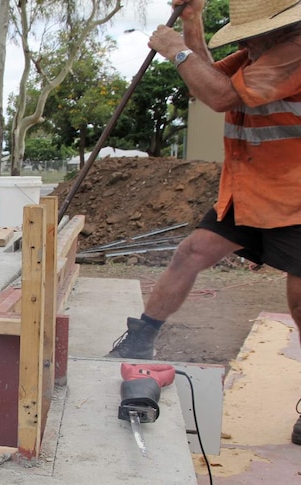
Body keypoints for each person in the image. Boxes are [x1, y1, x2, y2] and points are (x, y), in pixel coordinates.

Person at [104, 0, 301, 446]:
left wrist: (175, 48)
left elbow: (219, 97)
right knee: (190, 252)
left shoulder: (295, 51)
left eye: (252, 32)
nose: (245, 39)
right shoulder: (258, 53)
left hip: (295, 196)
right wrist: (192, 23)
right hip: (249, 189)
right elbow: (209, 78)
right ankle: (140, 340)